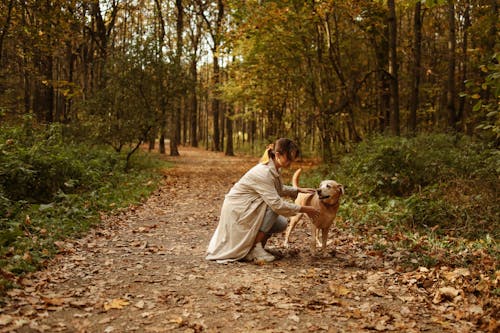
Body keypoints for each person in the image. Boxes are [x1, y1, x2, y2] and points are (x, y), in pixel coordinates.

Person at [206, 138, 320, 263]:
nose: (290, 163)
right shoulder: (264, 172)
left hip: (247, 207)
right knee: (274, 208)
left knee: (280, 223)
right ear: (278, 155)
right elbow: (277, 204)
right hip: (238, 211)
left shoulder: (274, 167)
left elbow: (278, 189)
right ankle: (254, 249)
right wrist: (304, 209)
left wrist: (297, 190)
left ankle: (258, 247)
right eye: (289, 159)